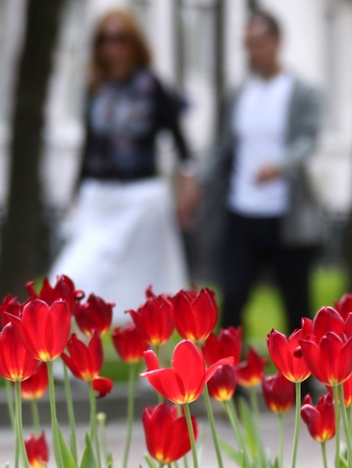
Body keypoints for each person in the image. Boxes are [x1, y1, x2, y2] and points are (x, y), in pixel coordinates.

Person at [181, 10, 325, 335]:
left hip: (286, 218)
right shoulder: (239, 94)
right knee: (232, 300)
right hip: (242, 213)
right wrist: (198, 184)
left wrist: (281, 166)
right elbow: (223, 148)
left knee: (296, 306)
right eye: (248, 45)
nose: (253, 53)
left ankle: (305, 383)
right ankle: (231, 383)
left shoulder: (301, 91)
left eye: (259, 44)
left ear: (277, 42)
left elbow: (308, 140)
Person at [50, 9, 192, 316]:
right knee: (71, 278)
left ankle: (156, 355)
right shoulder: (95, 88)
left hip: (141, 199)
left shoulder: (151, 86)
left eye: (120, 39)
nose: (112, 47)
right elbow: (89, 146)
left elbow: (181, 143)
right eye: (105, 39)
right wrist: (76, 194)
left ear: (134, 43)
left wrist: (187, 187)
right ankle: (60, 352)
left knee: (150, 290)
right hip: (100, 197)